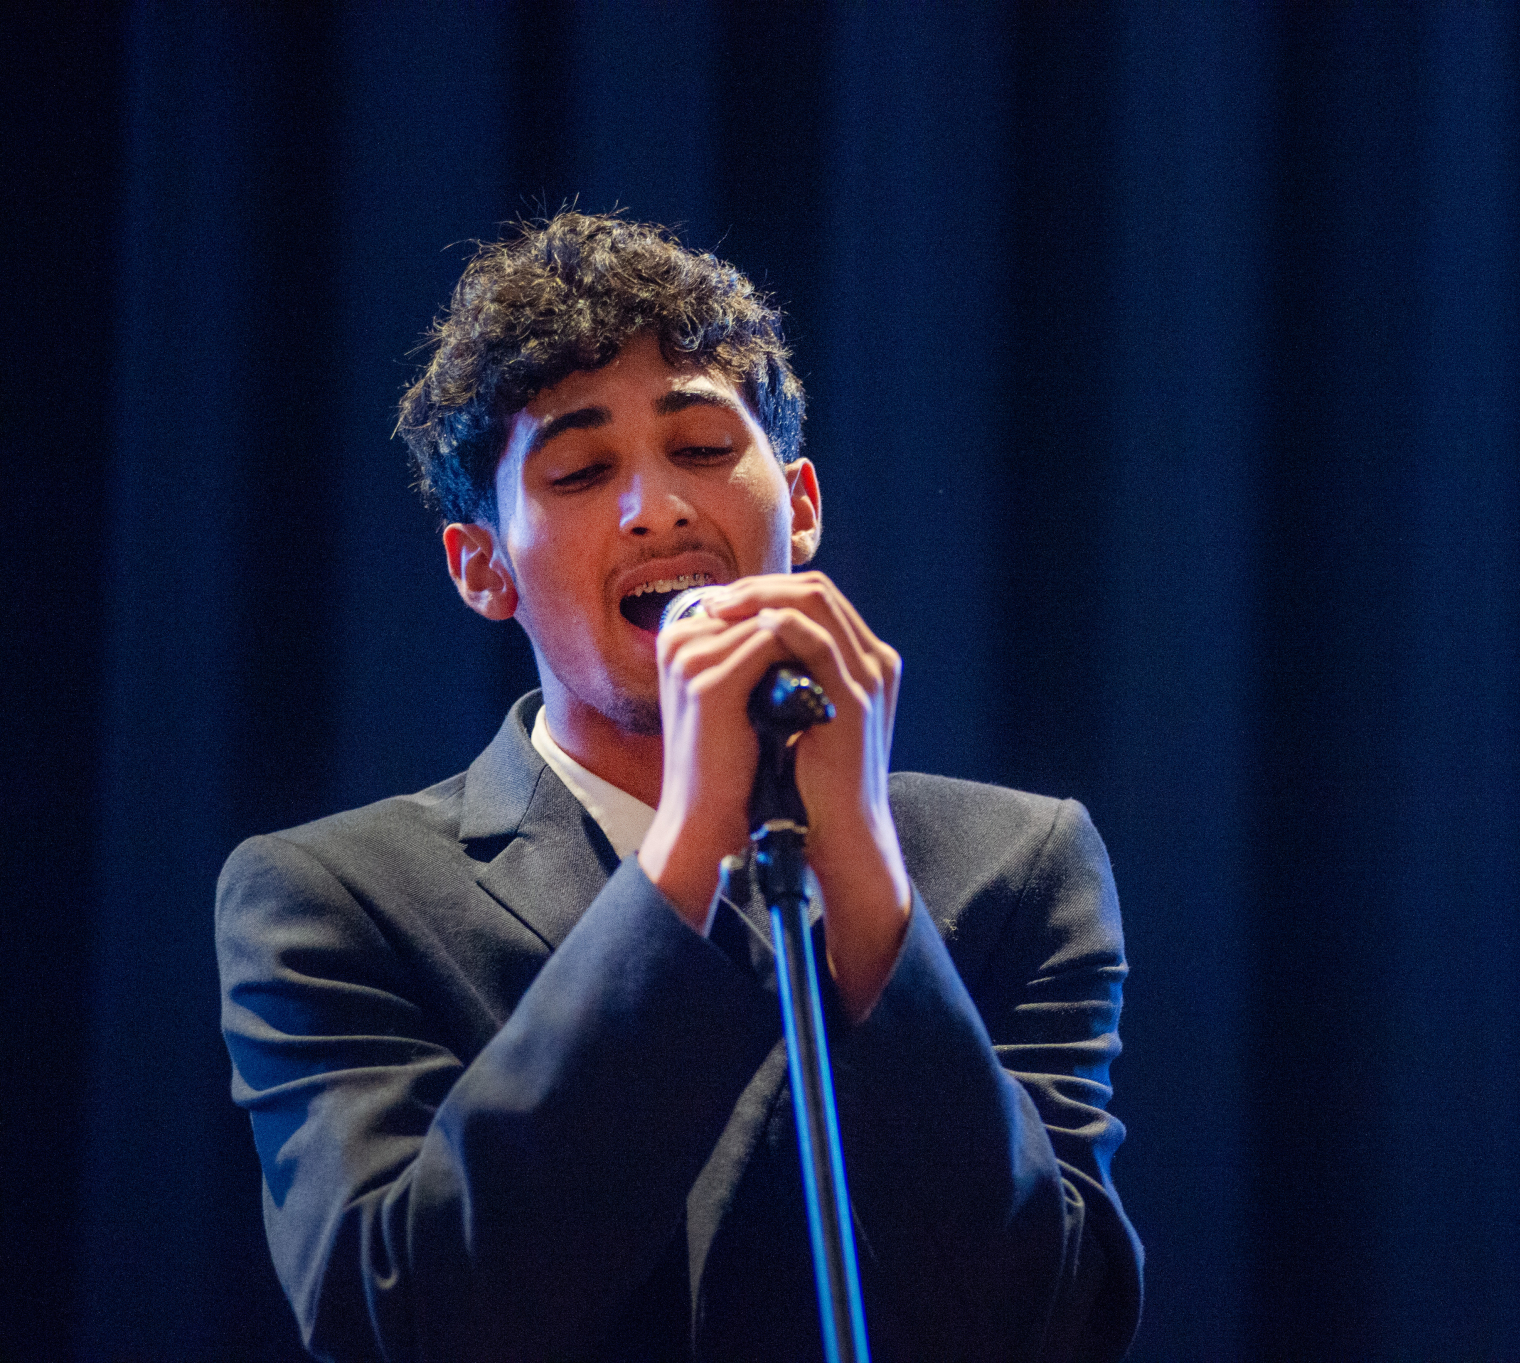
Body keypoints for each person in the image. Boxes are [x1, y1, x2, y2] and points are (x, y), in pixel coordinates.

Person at [215, 211, 1141, 1362]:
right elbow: (405, 1318)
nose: (654, 508)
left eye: (701, 448)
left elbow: (1058, 1322)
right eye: (579, 470)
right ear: (481, 567)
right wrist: (696, 836)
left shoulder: (1020, 863)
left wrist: (857, 865)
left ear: (800, 505)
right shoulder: (329, 897)